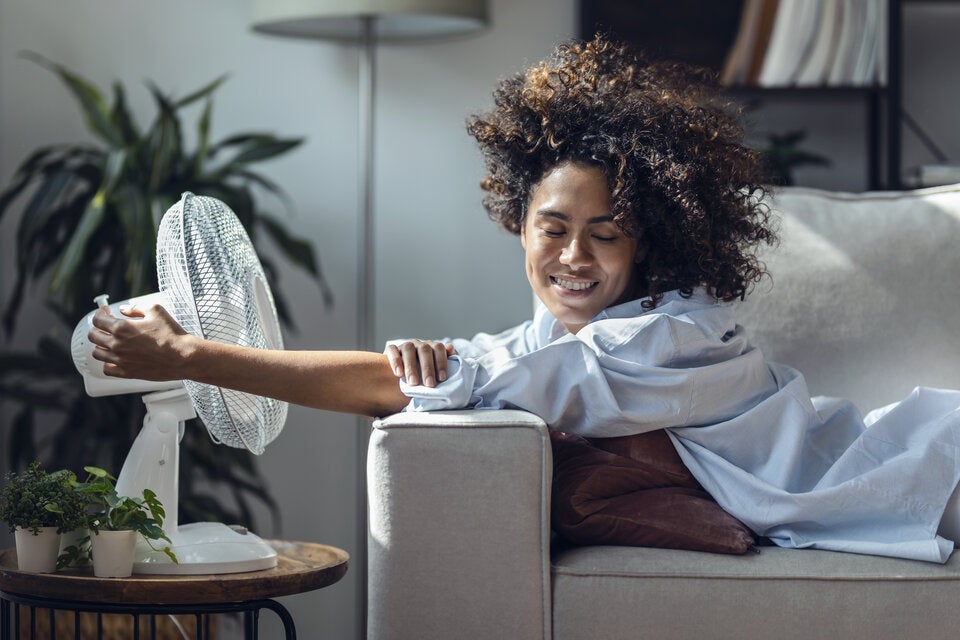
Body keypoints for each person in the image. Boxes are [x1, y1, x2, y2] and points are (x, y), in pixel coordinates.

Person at [90, 35, 960, 563]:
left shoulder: (671, 341)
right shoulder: (558, 334)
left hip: (924, 470)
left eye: (607, 231)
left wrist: (190, 356)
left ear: (648, 237)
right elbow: (460, 372)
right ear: (516, 222)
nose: (574, 254)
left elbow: (418, 384)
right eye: (552, 227)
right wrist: (443, 368)